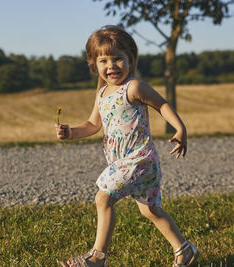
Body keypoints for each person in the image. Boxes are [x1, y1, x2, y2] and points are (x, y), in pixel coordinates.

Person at [55, 25, 199, 267]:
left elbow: (162, 104)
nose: (111, 66)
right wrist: (71, 132)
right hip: (121, 162)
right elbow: (92, 124)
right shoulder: (101, 93)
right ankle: (185, 250)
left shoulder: (133, 87)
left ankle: (97, 258)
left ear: (130, 60)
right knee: (150, 211)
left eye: (118, 59)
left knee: (103, 197)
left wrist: (180, 128)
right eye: (103, 60)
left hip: (139, 159)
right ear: (94, 64)